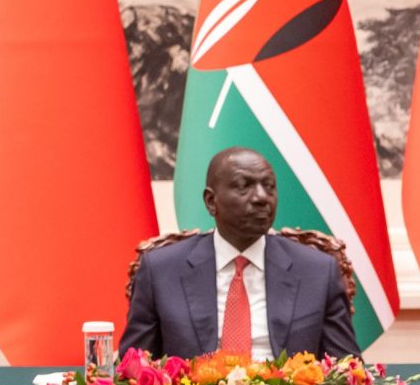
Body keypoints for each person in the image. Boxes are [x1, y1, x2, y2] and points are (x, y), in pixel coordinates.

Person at [122, 146, 356, 360]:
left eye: (269, 186)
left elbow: (349, 374)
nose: (261, 198)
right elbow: (131, 371)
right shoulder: (162, 270)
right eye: (244, 186)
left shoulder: (316, 271)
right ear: (211, 201)